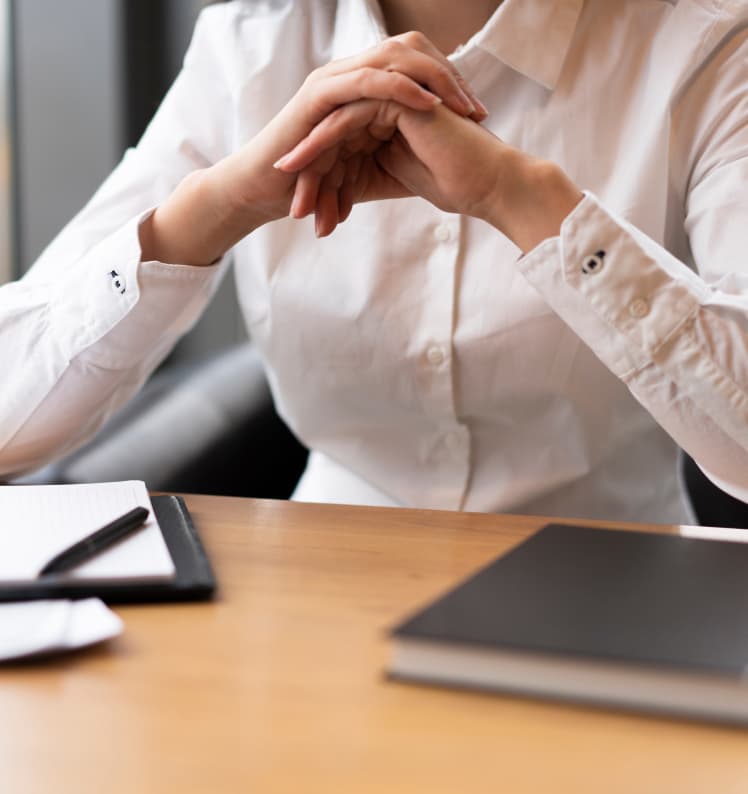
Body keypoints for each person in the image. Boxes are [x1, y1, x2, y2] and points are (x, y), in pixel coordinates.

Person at [2, 0, 748, 524]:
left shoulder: (708, 42)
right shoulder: (246, 43)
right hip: (317, 600)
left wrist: (520, 200)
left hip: (624, 589)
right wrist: (214, 208)